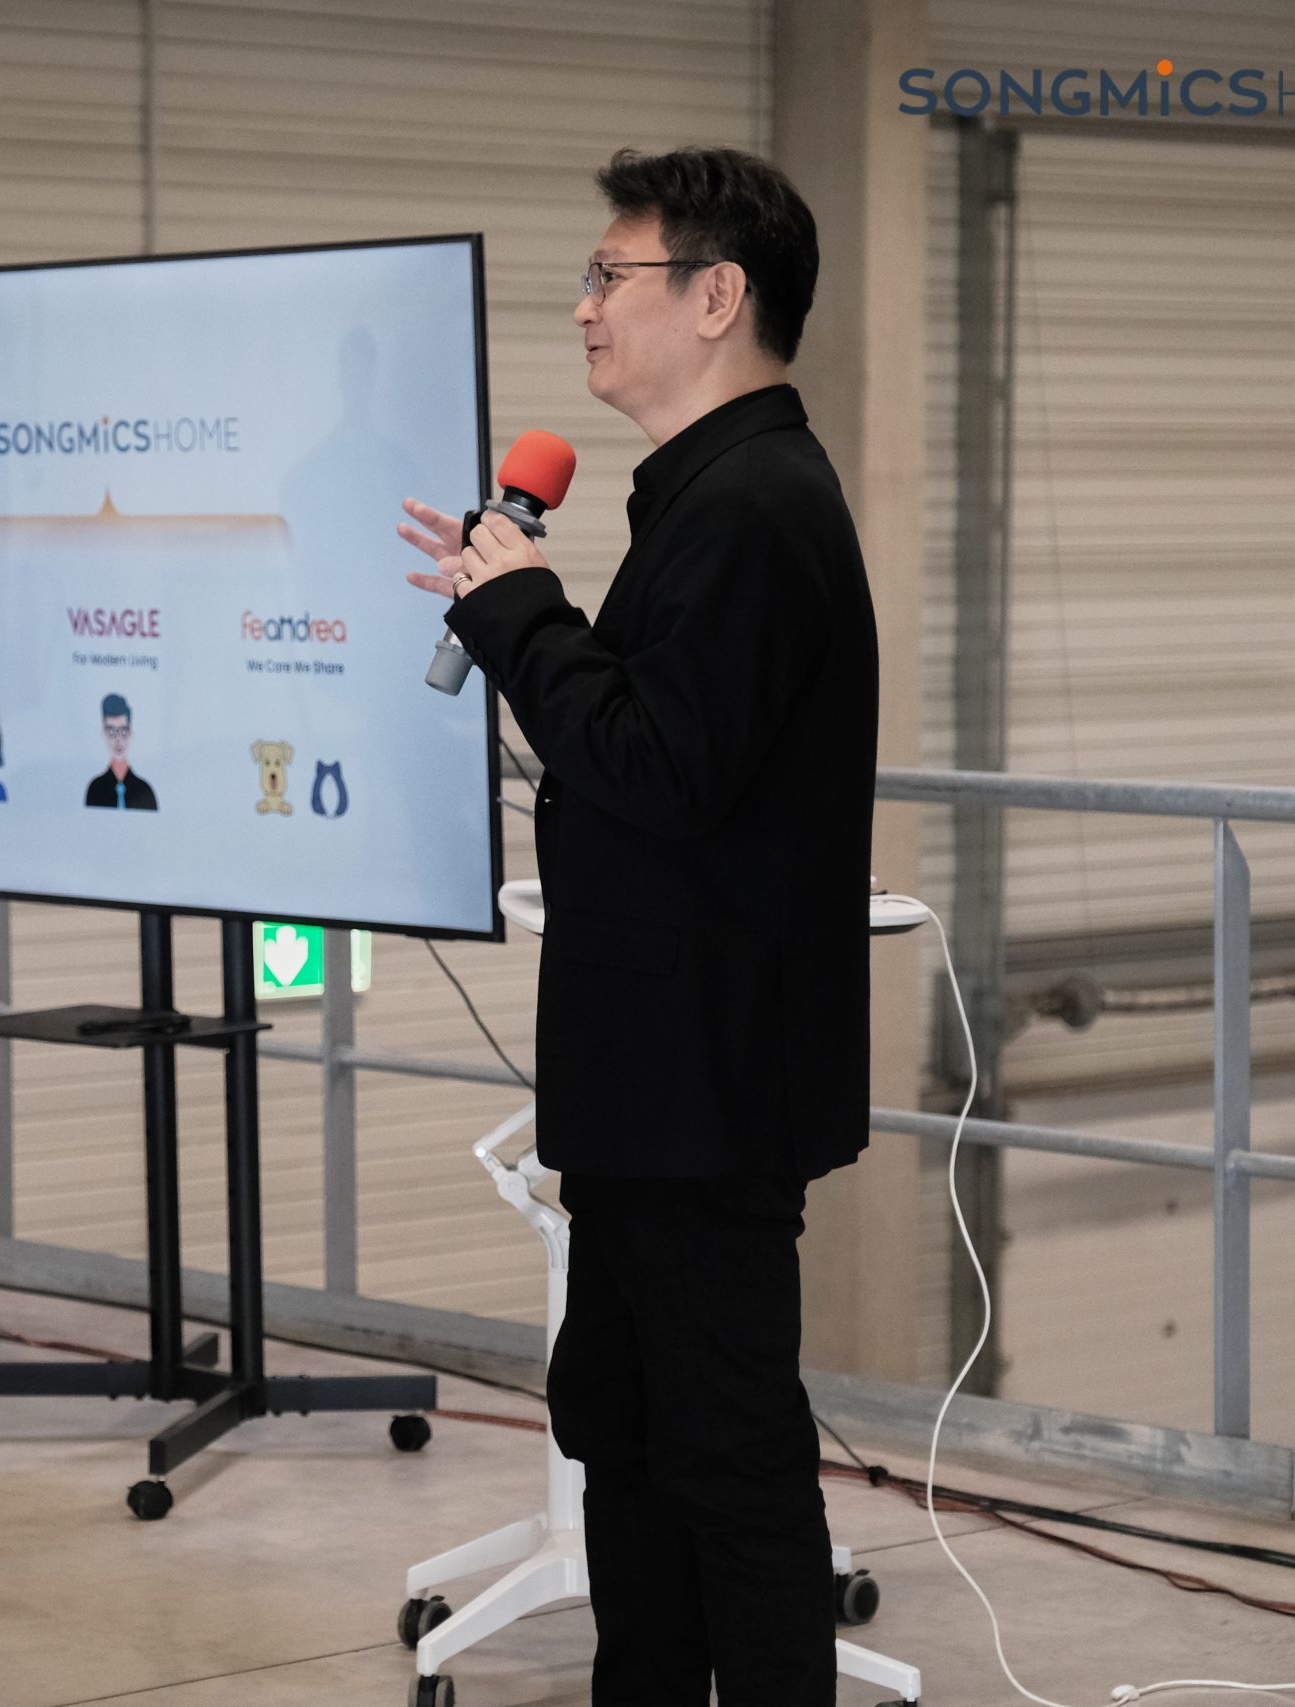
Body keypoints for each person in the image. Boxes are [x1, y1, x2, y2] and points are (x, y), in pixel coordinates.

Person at [398, 146, 878, 1707]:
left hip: (704, 1083)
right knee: (627, 1420)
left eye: (614, 274)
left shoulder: (755, 508)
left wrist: (525, 614)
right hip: (653, 1075)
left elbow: (662, 768)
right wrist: (514, 605)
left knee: (724, 1450)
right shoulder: (706, 496)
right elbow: (657, 739)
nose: (584, 306)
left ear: (717, 295)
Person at [82, 691, 157, 809]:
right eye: (112, 731)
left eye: (123, 731)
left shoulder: (145, 790)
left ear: (130, 733)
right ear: (104, 734)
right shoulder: (95, 789)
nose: (118, 740)